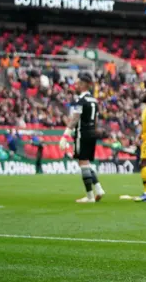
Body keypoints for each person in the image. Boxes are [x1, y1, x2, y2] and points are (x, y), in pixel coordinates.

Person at [59, 72, 105, 203]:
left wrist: (65, 136)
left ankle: (90, 196)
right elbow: (95, 120)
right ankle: (99, 188)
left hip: (82, 134)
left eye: (78, 83)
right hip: (92, 133)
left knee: (83, 163)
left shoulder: (81, 101)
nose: (76, 85)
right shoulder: (94, 101)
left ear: (83, 85)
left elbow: (74, 120)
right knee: (86, 163)